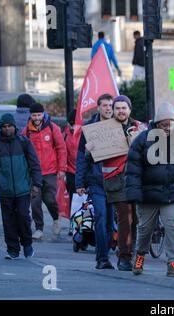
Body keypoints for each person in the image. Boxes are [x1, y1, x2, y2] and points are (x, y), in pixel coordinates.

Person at [126, 102, 174, 277]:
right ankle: (140, 256)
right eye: (164, 125)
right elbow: (133, 169)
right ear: (156, 124)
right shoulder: (143, 140)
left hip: (172, 193)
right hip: (148, 194)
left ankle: (173, 263)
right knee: (145, 229)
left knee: (173, 226)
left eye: (171, 124)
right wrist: (134, 194)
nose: (168, 128)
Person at [0, 114, 42, 259]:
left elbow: (34, 164)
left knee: (23, 216)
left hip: (23, 188)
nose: (7, 129)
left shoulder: (24, 142)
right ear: (1, 128)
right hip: (5, 191)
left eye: (9, 126)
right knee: (8, 221)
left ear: (14, 126)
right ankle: (12, 250)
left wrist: (36, 184)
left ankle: (27, 245)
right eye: (4, 127)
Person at [98, 95, 140, 271]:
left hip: (136, 180)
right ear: (113, 110)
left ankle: (129, 251)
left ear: (129, 110)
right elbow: (91, 156)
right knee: (126, 218)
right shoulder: (105, 129)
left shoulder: (138, 128)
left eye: (124, 108)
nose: (121, 111)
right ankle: (124, 257)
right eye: (118, 108)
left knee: (135, 220)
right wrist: (90, 150)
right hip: (116, 182)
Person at [76, 94, 116, 270]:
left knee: (109, 221)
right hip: (97, 181)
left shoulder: (119, 126)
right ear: (98, 108)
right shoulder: (89, 128)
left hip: (115, 181)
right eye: (105, 105)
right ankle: (102, 258)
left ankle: (107, 252)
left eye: (110, 105)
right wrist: (79, 183)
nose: (108, 108)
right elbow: (80, 157)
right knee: (100, 217)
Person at [22, 103, 67, 240]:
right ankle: (39, 228)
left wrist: (61, 169)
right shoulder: (26, 132)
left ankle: (55, 218)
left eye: (39, 115)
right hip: (33, 173)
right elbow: (23, 152)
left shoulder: (53, 128)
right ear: (30, 115)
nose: (36, 117)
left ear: (43, 114)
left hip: (51, 171)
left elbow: (61, 149)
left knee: (50, 199)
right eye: (34, 115)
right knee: (35, 202)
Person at [63, 110, 77, 211]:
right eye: (70, 124)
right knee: (74, 202)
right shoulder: (65, 135)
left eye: (74, 124)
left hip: (84, 173)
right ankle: (75, 225)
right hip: (71, 173)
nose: (72, 127)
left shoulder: (84, 133)